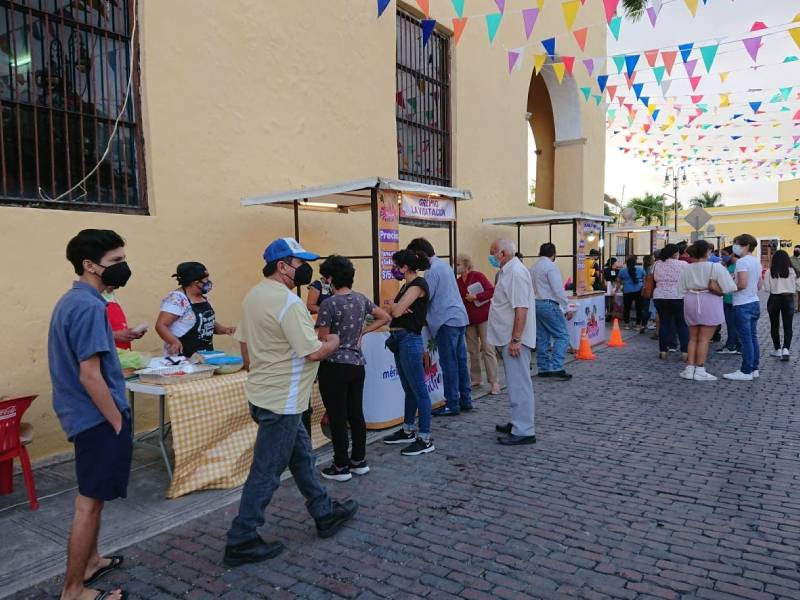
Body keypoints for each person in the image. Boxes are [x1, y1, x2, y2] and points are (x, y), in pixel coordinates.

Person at [224, 237, 357, 567]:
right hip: (281, 401)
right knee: (266, 471)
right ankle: (241, 538)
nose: (306, 270)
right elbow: (313, 351)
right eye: (300, 264)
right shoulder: (289, 303)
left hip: (268, 395)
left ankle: (324, 511)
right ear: (282, 266)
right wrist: (334, 341)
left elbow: (244, 347)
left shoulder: (254, 295)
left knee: (301, 458)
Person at [49, 229, 134, 600]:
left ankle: (91, 561)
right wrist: (115, 421)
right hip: (96, 418)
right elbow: (89, 374)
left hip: (86, 416)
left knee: (95, 499)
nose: (123, 267)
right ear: (90, 265)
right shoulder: (89, 306)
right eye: (116, 261)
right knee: (88, 503)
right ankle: (73, 590)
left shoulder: (76, 301)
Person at [314, 255, 391, 481]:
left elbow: (323, 338)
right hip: (357, 364)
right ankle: (359, 460)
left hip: (334, 365)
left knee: (337, 416)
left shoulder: (329, 304)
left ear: (330, 278)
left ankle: (340, 465)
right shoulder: (360, 299)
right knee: (356, 413)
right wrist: (362, 332)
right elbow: (384, 317)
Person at [407, 238, 473, 417]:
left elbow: (425, 298)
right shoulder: (444, 266)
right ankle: (466, 399)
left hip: (446, 321)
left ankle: (452, 403)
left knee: (449, 363)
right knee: (460, 361)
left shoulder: (432, 271)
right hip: (458, 318)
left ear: (419, 254)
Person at [382, 249, 436, 456]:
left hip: (409, 339)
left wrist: (395, 306)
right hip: (399, 339)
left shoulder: (418, 285)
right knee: (409, 389)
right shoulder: (406, 287)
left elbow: (394, 311)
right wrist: (396, 306)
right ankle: (407, 429)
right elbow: (392, 309)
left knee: (419, 390)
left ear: (405, 267)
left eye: (396, 266)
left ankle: (425, 437)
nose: (394, 269)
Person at [487, 239, 537, 446]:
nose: (490, 256)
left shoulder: (515, 273)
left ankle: (524, 429)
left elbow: (521, 309)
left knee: (519, 384)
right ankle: (518, 422)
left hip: (514, 340)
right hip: (508, 338)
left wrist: (516, 339)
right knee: (515, 383)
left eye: (493, 252)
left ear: (503, 253)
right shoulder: (507, 271)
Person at [677, 240, 737, 381]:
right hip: (709, 300)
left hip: (691, 299)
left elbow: (680, 289)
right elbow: (730, 287)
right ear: (707, 252)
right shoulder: (715, 267)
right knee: (704, 339)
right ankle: (700, 370)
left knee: (693, 338)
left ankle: (689, 368)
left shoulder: (686, 268)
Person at [155, 262, 235, 357]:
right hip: (182, 358)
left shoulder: (204, 298)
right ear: (195, 281)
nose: (208, 283)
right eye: (206, 280)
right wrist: (173, 341)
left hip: (205, 357)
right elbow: (161, 325)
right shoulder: (176, 299)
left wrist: (224, 329)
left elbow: (205, 323)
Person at [456, 254, 500, 395]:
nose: (456, 267)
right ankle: (476, 378)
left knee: (487, 348)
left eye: (458, 264)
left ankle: (494, 382)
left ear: (466, 265)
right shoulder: (457, 281)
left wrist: (476, 296)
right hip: (468, 320)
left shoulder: (477, 276)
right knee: (472, 350)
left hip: (483, 317)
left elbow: (491, 290)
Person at [530, 243, 573, 381]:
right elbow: (558, 289)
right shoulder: (551, 266)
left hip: (536, 303)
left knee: (542, 338)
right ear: (553, 254)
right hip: (549, 304)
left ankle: (543, 368)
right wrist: (567, 307)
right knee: (562, 336)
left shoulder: (533, 267)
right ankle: (556, 367)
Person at [724, 234, 763, 381]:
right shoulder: (756, 262)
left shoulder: (741, 262)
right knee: (752, 338)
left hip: (742, 303)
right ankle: (754, 368)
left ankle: (746, 371)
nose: (734, 246)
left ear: (745, 246)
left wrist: (729, 286)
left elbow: (742, 284)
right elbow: (759, 285)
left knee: (746, 339)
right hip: (754, 301)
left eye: (736, 243)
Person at [652, 244, 689, 361]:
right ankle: (685, 352)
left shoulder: (657, 264)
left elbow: (653, 278)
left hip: (660, 296)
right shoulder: (683, 264)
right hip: (678, 296)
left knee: (664, 323)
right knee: (682, 324)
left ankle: (663, 351)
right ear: (675, 253)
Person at [763, 250, 797, 361]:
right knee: (788, 326)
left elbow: (767, 288)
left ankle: (777, 349)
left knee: (774, 325)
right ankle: (786, 348)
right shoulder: (792, 271)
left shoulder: (770, 271)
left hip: (774, 298)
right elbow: (798, 286)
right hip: (788, 298)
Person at [716, 246, 741, 355]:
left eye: (724, 254)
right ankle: (734, 344)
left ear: (732, 254)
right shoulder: (730, 265)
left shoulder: (735, 266)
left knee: (732, 324)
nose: (722, 257)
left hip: (731, 299)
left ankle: (732, 345)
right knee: (733, 324)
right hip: (728, 298)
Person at [616, 256, 647, 333]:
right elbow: (645, 279)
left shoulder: (622, 270)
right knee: (639, 308)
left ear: (626, 263)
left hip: (627, 290)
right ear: (635, 263)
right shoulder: (640, 269)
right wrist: (643, 286)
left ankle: (626, 324)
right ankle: (638, 325)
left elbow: (618, 280)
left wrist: (617, 289)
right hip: (639, 290)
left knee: (627, 308)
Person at [790, 245, 800, 312]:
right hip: (794, 278)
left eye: (797, 250)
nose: (795, 251)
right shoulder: (790, 259)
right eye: (795, 250)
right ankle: (795, 308)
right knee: (795, 294)